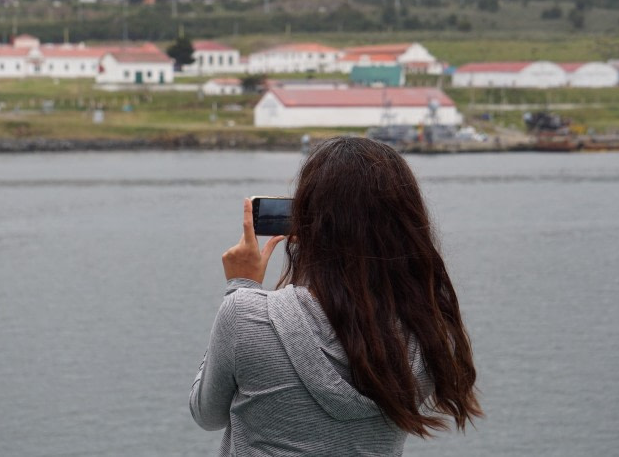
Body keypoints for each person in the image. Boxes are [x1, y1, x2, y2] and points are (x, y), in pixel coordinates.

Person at [190, 137, 482, 456]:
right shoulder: (427, 334)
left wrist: (240, 286)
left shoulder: (247, 315)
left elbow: (207, 413)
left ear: (306, 220)